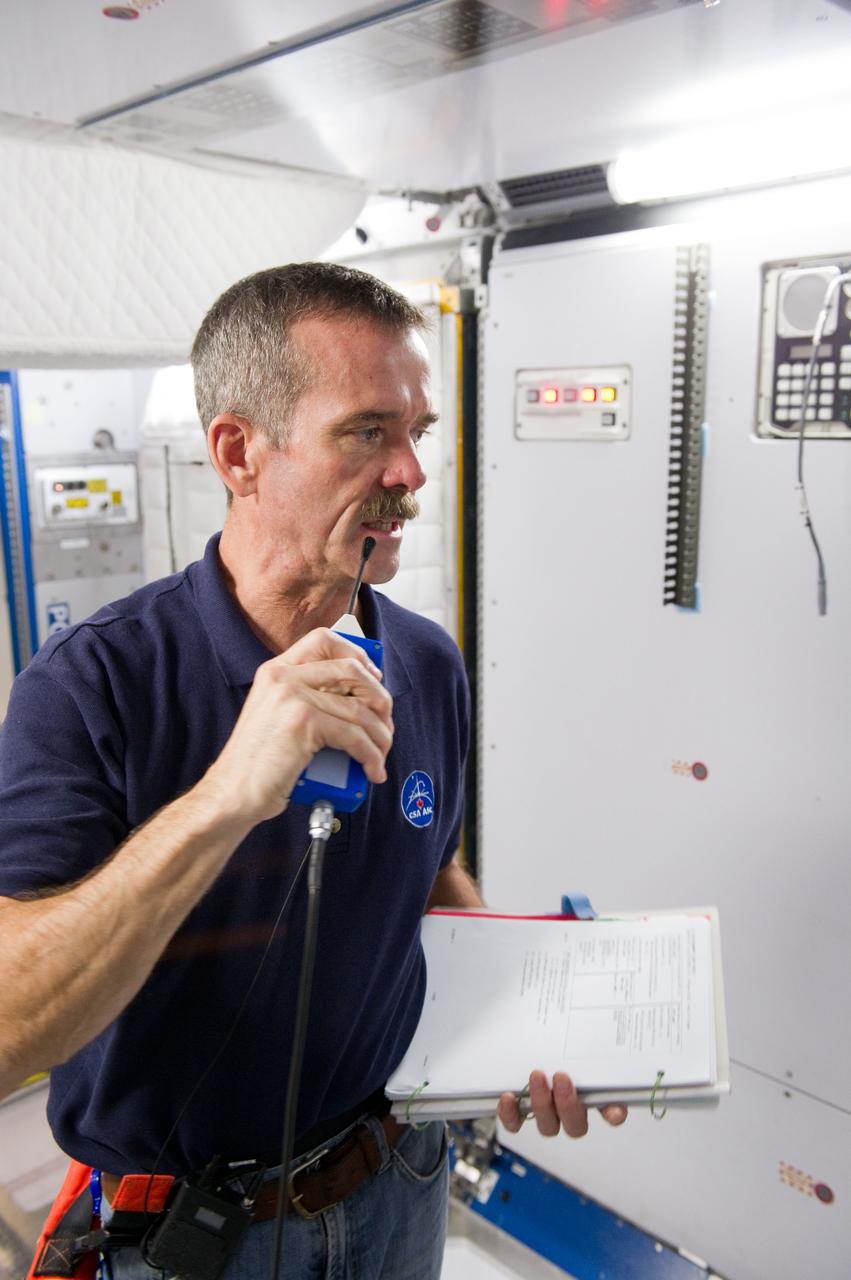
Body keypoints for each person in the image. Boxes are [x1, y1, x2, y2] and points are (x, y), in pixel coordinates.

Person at [0, 263, 625, 1279]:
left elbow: (431, 873)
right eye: (367, 431)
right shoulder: (91, 687)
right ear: (239, 452)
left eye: (416, 432)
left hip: (396, 1186)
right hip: (194, 1237)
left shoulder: (425, 661)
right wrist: (227, 793)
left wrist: (518, 1025)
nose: (412, 473)